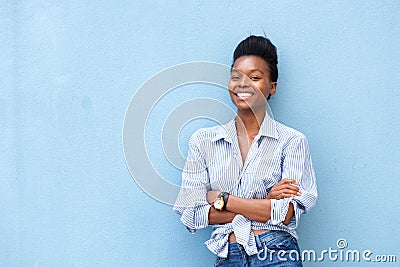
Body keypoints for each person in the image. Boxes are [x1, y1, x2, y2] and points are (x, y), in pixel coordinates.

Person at [173, 35, 317, 266]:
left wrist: (221, 199)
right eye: (236, 77)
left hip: (276, 253)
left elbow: (287, 214)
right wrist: (265, 203)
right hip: (227, 254)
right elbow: (190, 212)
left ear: (272, 87)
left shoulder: (292, 141)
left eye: (255, 77)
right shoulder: (203, 141)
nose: (242, 84)